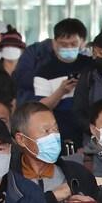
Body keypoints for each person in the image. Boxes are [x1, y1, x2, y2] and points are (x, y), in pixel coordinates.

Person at [11, 102, 97, 203]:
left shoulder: (79, 174)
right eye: (46, 131)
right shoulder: (8, 179)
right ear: (21, 139)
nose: (54, 136)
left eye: (55, 129)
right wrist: (53, 197)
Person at [24, 18, 93, 150]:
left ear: (82, 42)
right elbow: (41, 107)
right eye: (63, 44)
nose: (68, 48)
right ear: (54, 43)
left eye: (73, 43)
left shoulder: (90, 65)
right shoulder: (44, 71)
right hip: (59, 129)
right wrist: (61, 91)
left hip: (88, 127)